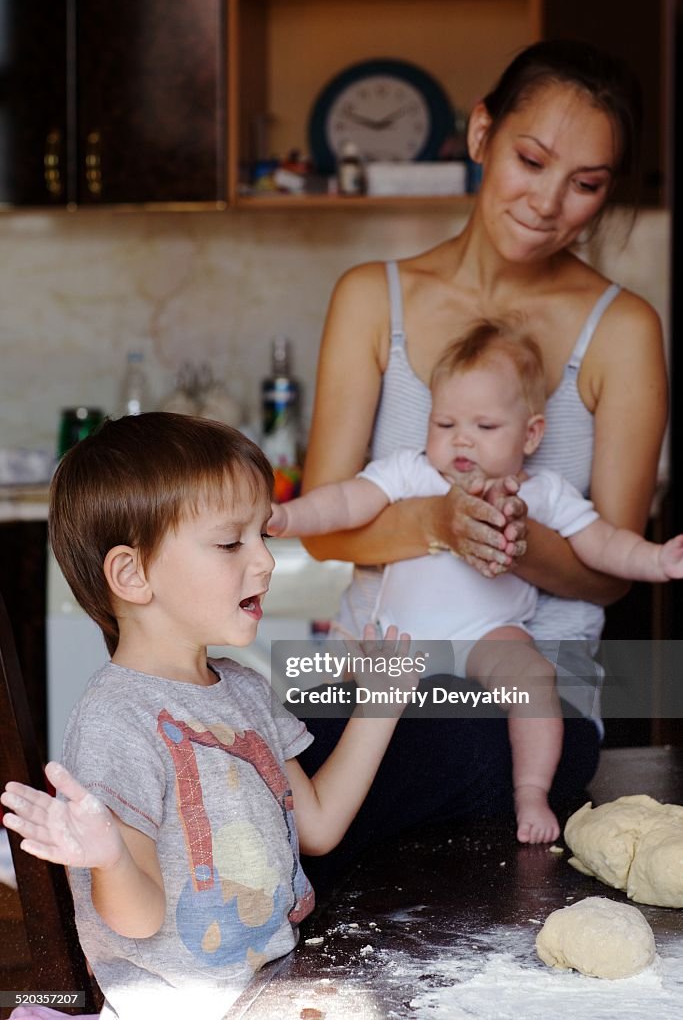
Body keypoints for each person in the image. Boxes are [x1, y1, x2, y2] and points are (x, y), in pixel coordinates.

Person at [295, 38, 668, 883]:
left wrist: (500, 533)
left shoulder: (622, 329)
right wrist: (435, 523)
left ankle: (223, 896)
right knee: (265, 724)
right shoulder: (370, 299)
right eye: (531, 160)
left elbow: (608, 574)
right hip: (377, 674)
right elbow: (324, 531)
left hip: (533, 698)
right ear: (479, 135)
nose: (548, 203)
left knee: (422, 746)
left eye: (587, 183)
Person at [0, 413, 414, 1020]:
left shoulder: (243, 689)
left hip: (266, 988)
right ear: (133, 574)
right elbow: (135, 920)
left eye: (262, 538)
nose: (265, 563)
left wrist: (381, 702)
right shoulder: (118, 718)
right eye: (231, 543)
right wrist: (109, 856)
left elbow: (318, 825)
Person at [270, 322, 683, 844]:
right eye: (445, 424)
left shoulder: (542, 492)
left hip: (488, 633)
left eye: (485, 427)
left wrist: (655, 559)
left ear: (530, 434)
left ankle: (529, 790)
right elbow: (345, 502)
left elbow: (602, 543)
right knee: (349, 697)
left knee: (534, 677)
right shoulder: (412, 472)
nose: (461, 439)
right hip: (401, 639)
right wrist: (291, 516)